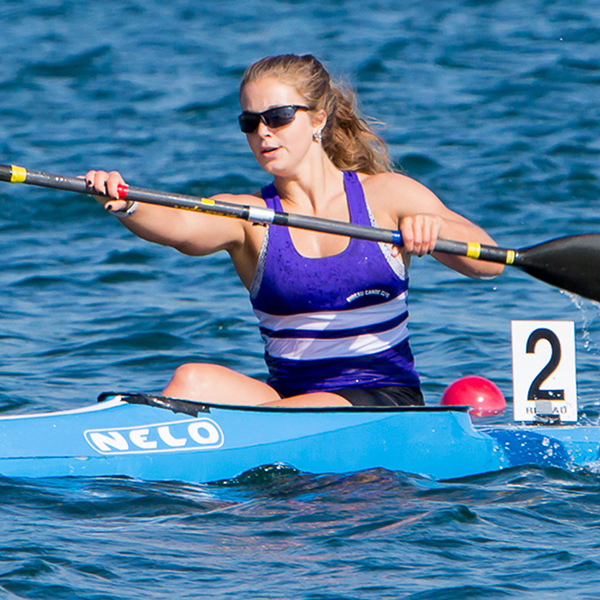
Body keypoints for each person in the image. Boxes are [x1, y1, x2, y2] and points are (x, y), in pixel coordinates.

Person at [86, 53, 502, 408]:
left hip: (382, 399)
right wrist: (129, 205)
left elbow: (491, 262)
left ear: (318, 119)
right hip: (290, 404)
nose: (263, 132)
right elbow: (179, 224)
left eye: (278, 117)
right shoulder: (250, 216)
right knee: (192, 380)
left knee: (299, 412)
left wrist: (435, 229)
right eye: (250, 122)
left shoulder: (387, 196)